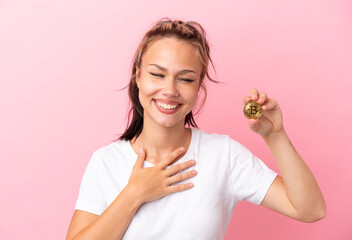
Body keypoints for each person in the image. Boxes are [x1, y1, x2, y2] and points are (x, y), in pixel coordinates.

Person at [66, 18, 326, 240]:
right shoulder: (106, 162)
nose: (169, 90)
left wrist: (275, 136)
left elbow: (310, 210)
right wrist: (134, 194)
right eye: (157, 74)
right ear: (138, 77)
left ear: (199, 85)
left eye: (186, 78)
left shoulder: (223, 154)